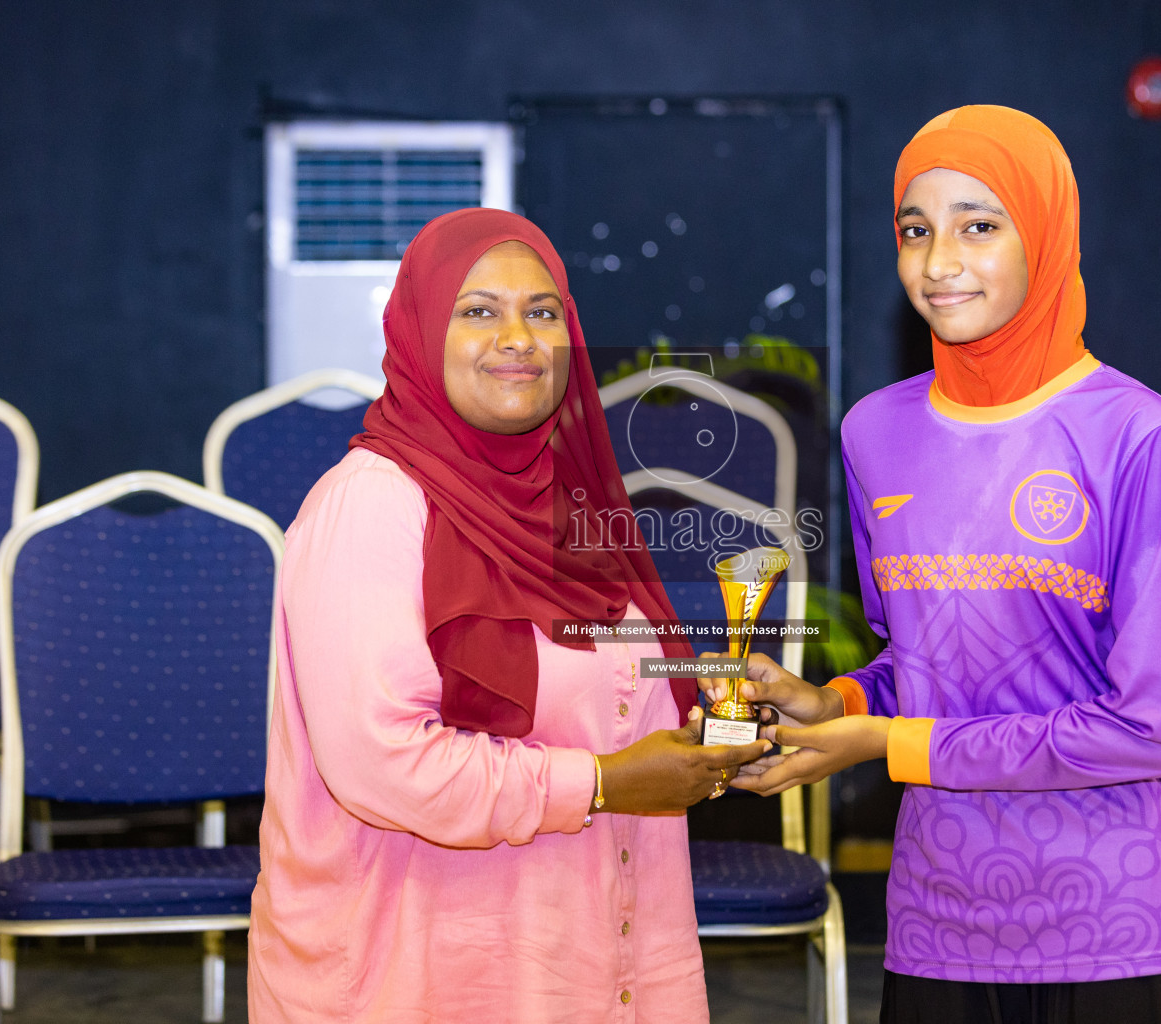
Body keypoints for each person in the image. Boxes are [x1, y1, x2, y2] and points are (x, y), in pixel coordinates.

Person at [711, 106, 1161, 1022]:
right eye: (915, 230)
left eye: (979, 225)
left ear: (1047, 233)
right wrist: (842, 706)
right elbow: (923, 665)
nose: (939, 262)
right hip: (938, 924)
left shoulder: (1137, 434)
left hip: (1112, 925)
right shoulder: (877, 433)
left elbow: (1155, 729)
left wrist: (890, 744)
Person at [248, 208, 770, 1023]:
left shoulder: (579, 503)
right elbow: (383, 764)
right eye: (478, 310)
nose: (518, 337)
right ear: (418, 331)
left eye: (543, 311)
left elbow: (620, 702)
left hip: (586, 964)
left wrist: (724, 729)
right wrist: (601, 783)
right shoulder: (369, 509)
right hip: (414, 980)